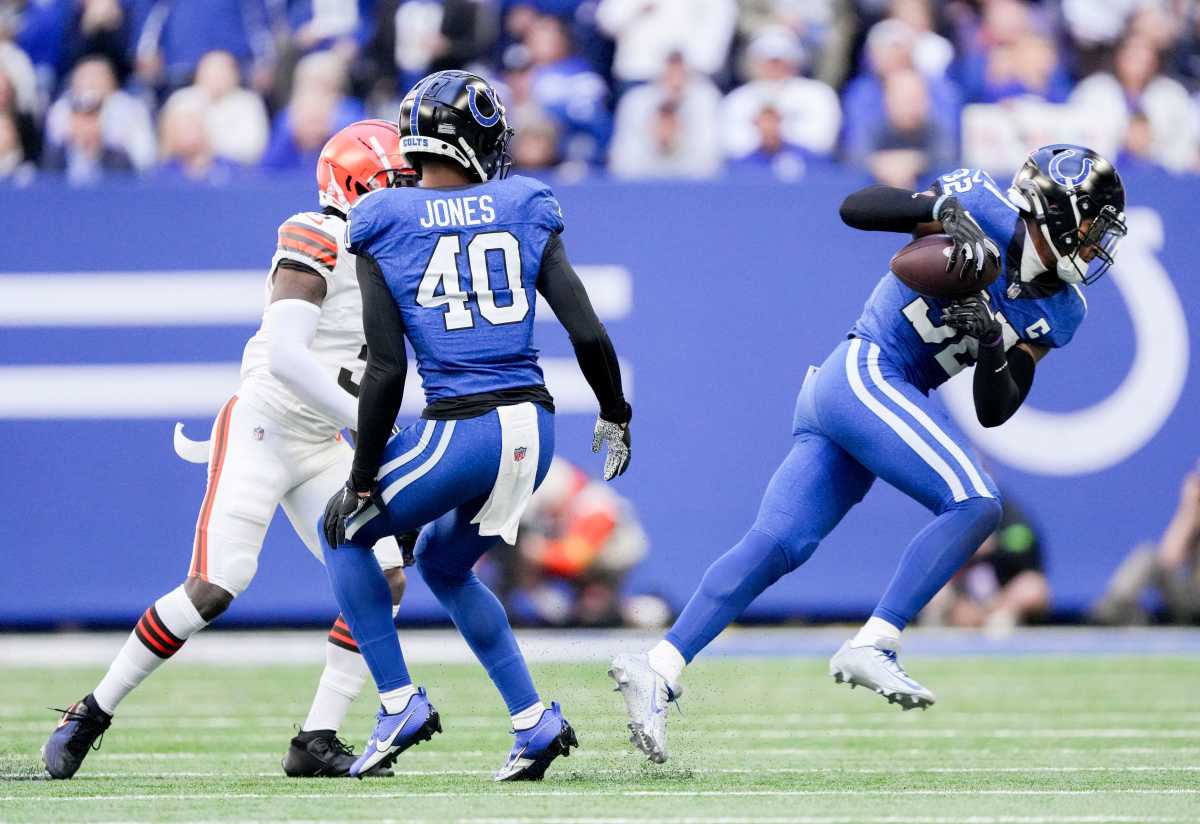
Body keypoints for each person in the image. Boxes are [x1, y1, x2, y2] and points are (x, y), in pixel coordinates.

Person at [611, 144, 1127, 763]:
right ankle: (874, 641)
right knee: (975, 502)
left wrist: (990, 335)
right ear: (1055, 214)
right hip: (868, 368)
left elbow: (997, 403)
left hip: (867, 393)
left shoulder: (1062, 311)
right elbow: (857, 207)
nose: (1098, 247)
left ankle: (658, 667)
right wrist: (938, 205)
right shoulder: (981, 203)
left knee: (777, 544)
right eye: (1093, 228)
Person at [42, 120, 416, 781]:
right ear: (357, 186)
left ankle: (317, 737)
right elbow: (290, 360)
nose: (408, 198)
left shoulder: (391, 253)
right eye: (396, 184)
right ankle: (91, 711)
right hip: (266, 427)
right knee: (215, 587)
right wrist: (374, 423)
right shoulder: (317, 233)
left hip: (326, 438)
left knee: (383, 575)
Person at [317, 69, 632, 781]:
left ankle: (397, 701)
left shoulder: (383, 219)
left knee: (341, 529)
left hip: (464, 429)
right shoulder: (524, 203)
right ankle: (534, 721)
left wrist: (363, 476)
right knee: (444, 564)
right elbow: (586, 329)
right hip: (535, 432)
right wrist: (615, 412)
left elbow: (386, 371)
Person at [921, 495, 1050, 633]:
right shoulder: (953, 515)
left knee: (1031, 586)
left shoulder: (1010, 514)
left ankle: (1000, 640)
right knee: (936, 594)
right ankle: (935, 643)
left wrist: (996, 544)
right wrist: (962, 602)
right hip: (964, 601)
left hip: (1003, 598)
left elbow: (1025, 549)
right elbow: (941, 567)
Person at [1091, 464, 1200, 626]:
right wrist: (1189, 511)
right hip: (1192, 600)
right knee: (1148, 555)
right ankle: (1114, 608)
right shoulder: (1194, 516)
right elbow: (1169, 558)